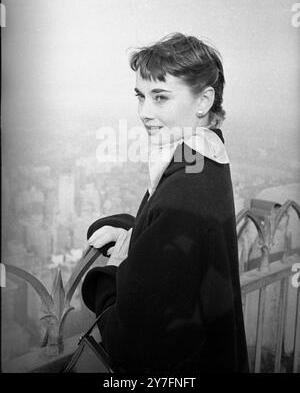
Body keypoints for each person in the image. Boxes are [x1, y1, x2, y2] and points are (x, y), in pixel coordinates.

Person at [81, 33, 249, 373]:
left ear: (203, 101)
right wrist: (135, 232)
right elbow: (181, 233)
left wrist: (108, 278)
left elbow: (134, 348)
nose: (144, 112)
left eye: (160, 97)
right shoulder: (204, 155)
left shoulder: (185, 185)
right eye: (140, 97)